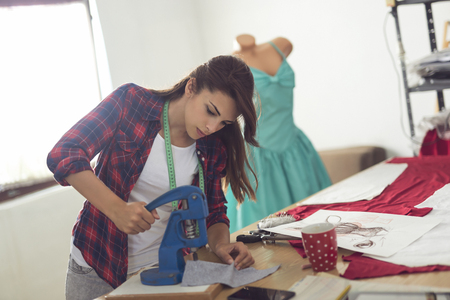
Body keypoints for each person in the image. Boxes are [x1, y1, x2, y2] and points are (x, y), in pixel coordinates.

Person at [47, 55, 258, 300]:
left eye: (224, 122)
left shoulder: (212, 144)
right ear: (191, 87)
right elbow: (64, 153)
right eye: (210, 111)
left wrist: (221, 244)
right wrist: (117, 209)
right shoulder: (130, 102)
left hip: (165, 271)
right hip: (98, 264)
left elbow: (213, 210)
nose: (212, 127)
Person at [226, 34, 332, 233]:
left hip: (295, 147)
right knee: (267, 229)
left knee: (316, 219)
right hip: (257, 154)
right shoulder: (230, 66)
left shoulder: (281, 45)